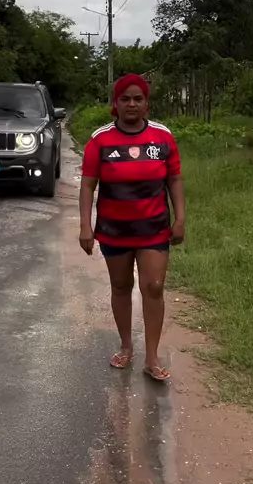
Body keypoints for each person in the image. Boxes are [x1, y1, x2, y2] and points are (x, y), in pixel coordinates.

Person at [79, 74, 185, 380]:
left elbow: (174, 180)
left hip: (154, 229)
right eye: (125, 99)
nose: (131, 104)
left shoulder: (162, 137)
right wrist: (85, 226)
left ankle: (152, 357)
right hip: (114, 231)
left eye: (138, 99)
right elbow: (87, 186)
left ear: (146, 103)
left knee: (154, 286)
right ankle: (126, 346)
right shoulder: (100, 140)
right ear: (116, 103)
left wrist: (180, 218)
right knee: (121, 286)